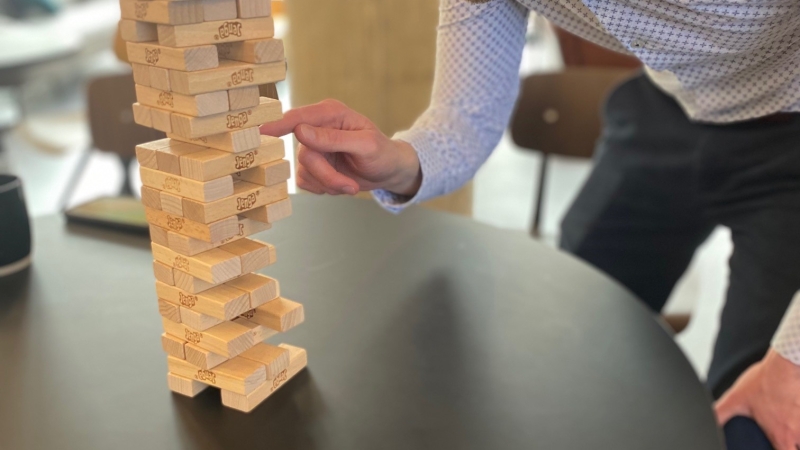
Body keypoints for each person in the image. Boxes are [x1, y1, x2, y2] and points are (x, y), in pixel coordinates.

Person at [261, 1, 800, 448]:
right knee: (569, 338)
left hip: (790, 126)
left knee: (757, 428)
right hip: (671, 105)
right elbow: (463, 119)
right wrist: (399, 161)